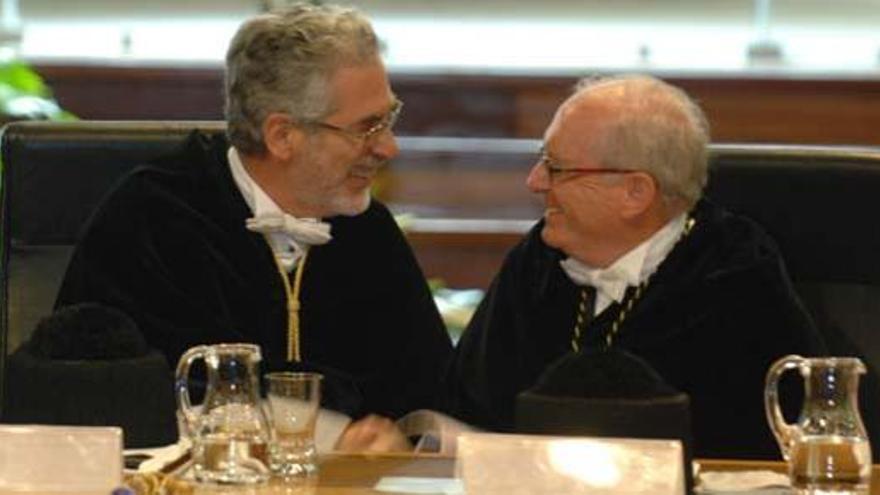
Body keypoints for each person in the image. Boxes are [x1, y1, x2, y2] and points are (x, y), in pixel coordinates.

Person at [54, 3, 452, 423]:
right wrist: (325, 433)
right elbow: (116, 397)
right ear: (282, 136)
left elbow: (433, 395)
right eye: (367, 127)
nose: (390, 147)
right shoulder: (153, 218)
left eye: (389, 119)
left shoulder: (369, 233)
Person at [444, 74, 826, 459]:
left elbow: (765, 449)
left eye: (556, 168)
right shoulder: (535, 264)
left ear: (636, 193)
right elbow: (469, 410)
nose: (535, 181)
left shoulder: (734, 277)